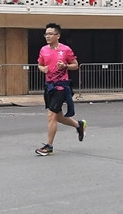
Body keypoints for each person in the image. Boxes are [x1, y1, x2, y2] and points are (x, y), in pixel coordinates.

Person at [35, 23, 85, 156]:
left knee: (51, 115)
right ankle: (79, 125)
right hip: (49, 86)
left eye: (50, 34)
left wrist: (65, 66)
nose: (47, 36)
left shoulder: (66, 49)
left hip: (61, 86)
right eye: (46, 34)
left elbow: (75, 65)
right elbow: (39, 64)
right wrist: (43, 69)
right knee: (59, 117)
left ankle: (49, 146)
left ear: (58, 35)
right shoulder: (43, 50)